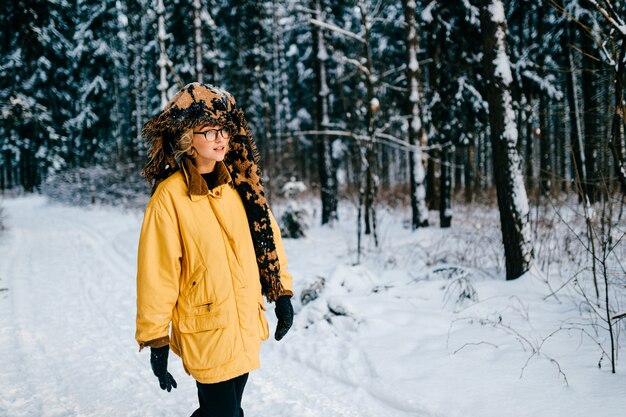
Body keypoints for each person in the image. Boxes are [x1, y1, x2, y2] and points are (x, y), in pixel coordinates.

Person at [135, 82, 294, 417]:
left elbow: (269, 238)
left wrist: (282, 293)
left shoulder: (240, 188)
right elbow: (157, 273)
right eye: (209, 131)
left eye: (224, 129)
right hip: (207, 328)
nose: (221, 138)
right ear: (186, 139)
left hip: (243, 323)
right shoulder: (169, 198)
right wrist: (155, 339)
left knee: (221, 412)